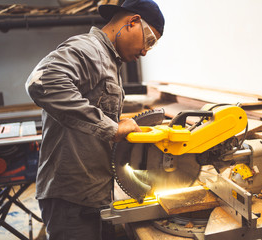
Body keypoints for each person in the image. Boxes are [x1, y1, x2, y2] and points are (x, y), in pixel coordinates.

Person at [25, 0, 165, 239]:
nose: (144, 51)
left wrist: (117, 123)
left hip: (93, 192)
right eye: (149, 41)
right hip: (72, 198)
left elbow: (94, 111)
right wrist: (111, 128)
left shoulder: (109, 60)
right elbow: (42, 82)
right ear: (132, 22)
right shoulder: (88, 49)